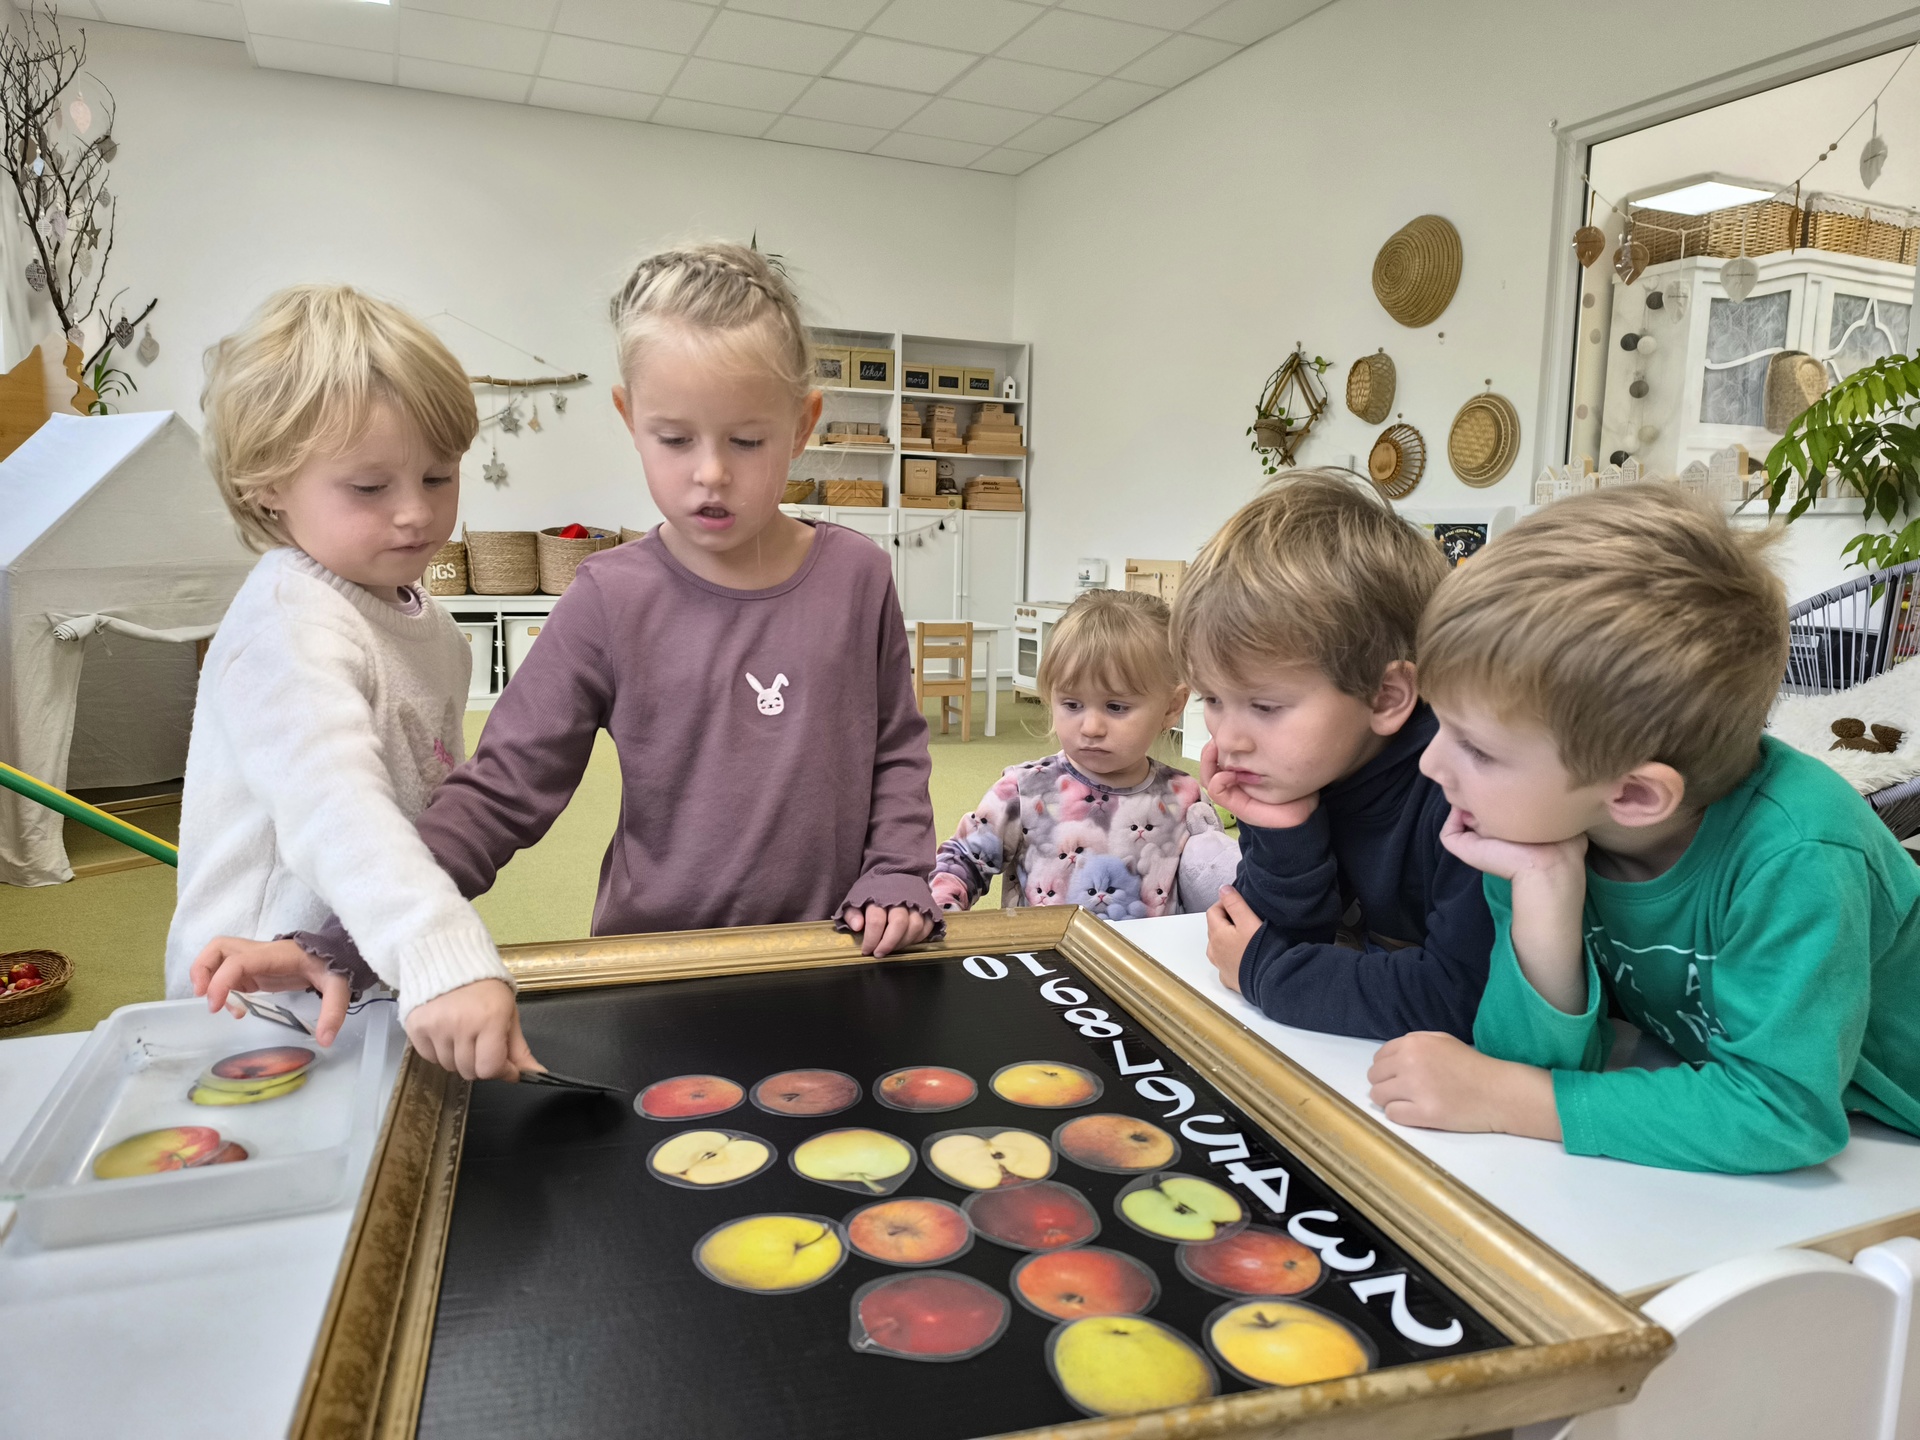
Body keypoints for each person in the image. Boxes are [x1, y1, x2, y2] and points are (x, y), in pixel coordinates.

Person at [193, 242, 939, 1009]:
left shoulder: (858, 576)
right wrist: (349, 941)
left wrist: (897, 868)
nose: (711, 472)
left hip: (830, 953)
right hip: (653, 974)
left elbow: (895, 745)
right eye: (674, 439)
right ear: (629, 418)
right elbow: (500, 791)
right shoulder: (608, 599)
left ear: (804, 424)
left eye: (747, 441)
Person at [1370, 485, 1920, 1173]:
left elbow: (1784, 1113)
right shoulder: (1541, 827)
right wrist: (1544, 897)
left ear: (1633, 794)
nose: (1431, 764)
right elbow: (1531, 1063)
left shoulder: (1800, 851)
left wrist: (1512, 1101)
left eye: (1477, 748)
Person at [167, 285, 536, 1081]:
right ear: (266, 482)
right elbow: (336, 805)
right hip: (259, 999)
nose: (415, 514)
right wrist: (442, 954)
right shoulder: (287, 625)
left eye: (438, 477)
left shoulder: (433, 629)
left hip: (358, 969)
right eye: (370, 488)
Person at [1174, 470, 1494, 1040]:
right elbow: (1270, 937)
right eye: (1213, 700)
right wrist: (1285, 830)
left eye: (1265, 706)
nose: (1230, 738)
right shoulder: (1303, 766)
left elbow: (1465, 998)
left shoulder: (1468, 793)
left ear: (1386, 697)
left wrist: (1268, 974)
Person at [931, 589, 1236, 919]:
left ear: (1172, 706)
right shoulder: (1023, 790)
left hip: (1146, 953)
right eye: (1072, 704)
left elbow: (1211, 885)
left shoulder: (1185, 798)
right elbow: (961, 860)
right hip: (1045, 952)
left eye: (1116, 707)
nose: (1091, 727)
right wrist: (940, 913)